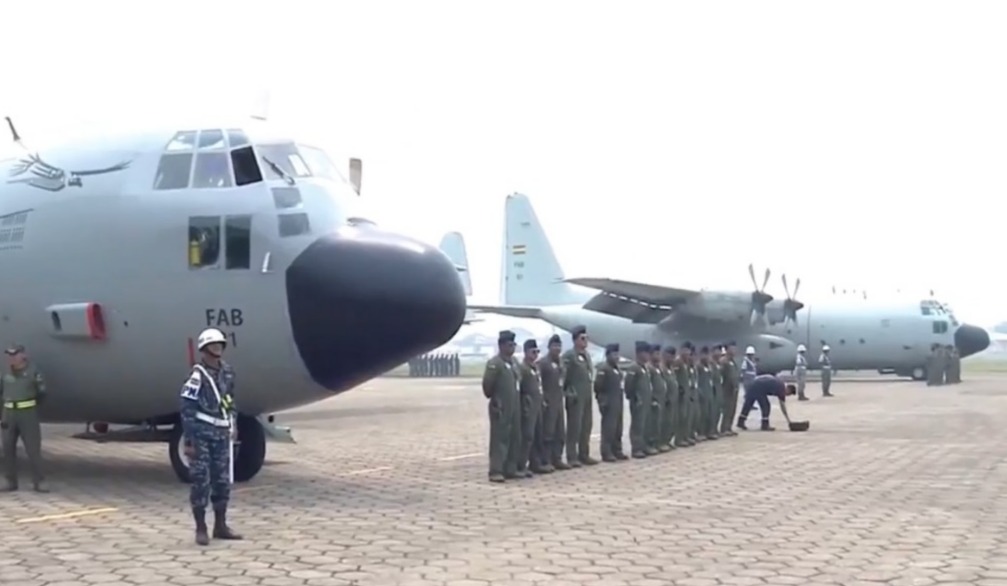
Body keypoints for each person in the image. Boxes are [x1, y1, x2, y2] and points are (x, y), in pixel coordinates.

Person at [181, 328, 242, 545]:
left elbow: (229, 400)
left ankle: (221, 525)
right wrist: (189, 440)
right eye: (213, 345)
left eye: (220, 344)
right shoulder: (197, 375)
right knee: (200, 481)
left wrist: (232, 422)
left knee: (222, 480)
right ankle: (201, 527)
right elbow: (187, 407)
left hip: (221, 433)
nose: (218, 348)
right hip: (201, 433)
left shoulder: (228, 372)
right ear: (204, 349)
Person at [1, 344, 48, 493]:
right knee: (8, 448)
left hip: (27, 414)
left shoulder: (33, 371)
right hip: (9, 414)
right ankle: (10, 481)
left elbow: (42, 393)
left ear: (23, 356)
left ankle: (39, 481)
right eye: (9, 355)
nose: (11, 358)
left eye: (14, 354)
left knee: (33, 449)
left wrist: (29, 405)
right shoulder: (5, 372)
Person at [482, 330, 522, 483]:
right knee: (500, 438)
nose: (512, 348)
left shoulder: (515, 363)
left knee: (514, 436)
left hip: (515, 405)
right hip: (501, 406)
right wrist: (496, 399)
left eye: (513, 344)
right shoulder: (495, 364)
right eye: (509, 345)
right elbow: (487, 386)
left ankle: (511, 468)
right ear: (501, 345)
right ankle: (496, 470)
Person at [562, 325, 598, 467]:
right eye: (582, 338)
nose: (585, 341)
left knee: (586, 425)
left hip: (587, 395)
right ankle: (572, 456)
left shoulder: (586, 355)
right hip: (575, 396)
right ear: (575, 340)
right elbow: (563, 377)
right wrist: (568, 393)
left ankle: (584, 454)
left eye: (586, 338)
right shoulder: (569, 356)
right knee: (574, 427)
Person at [517, 339, 548, 476]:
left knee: (537, 435)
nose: (535, 354)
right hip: (528, 406)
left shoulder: (535, 367)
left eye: (537, 352)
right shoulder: (522, 368)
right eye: (532, 352)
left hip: (538, 405)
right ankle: (521, 465)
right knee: (527, 436)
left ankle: (536, 463)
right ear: (526, 352)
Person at [537, 334, 568, 470]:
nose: (557, 349)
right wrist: (543, 399)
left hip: (558, 401)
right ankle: (546, 459)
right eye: (554, 346)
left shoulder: (561, 362)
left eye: (559, 346)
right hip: (548, 401)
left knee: (560, 432)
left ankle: (557, 458)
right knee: (548, 432)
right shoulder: (543, 363)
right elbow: (538, 383)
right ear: (549, 347)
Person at [594, 343, 627, 462]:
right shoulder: (604, 369)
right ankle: (606, 452)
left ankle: (617, 450)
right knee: (609, 428)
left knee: (618, 427)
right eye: (614, 354)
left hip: (618, 401)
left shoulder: (616, 369)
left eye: (617, 354)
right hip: (609, 402)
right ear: (608, 355)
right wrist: (602, 401)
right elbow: (598, 387)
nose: (616, 357)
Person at [625, 341, 654, 458]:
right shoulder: (634, 368)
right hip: (638, 401)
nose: (648, 356)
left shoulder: (645, 368)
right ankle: (636, 448)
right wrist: (634, 398)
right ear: (639, 353)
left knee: (646, 423)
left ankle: (644, 446)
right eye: (646, 353)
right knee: (638, 425)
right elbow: (629, 386)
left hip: (646, 400)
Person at [647, 345, 670, 453]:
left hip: (661, 398)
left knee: (659, 422)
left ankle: (658, 442)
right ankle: (649, 444)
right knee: (651, 423)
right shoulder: (649, 368)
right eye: (656, 354)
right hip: (654, 399)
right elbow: (649, 386)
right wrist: (652, 399)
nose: (659, 356)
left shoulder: (659, 368)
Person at [674, 344, 695, 447]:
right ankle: (679, 439)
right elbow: (675, 376)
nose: (687, 353)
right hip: (680, 394)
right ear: (681, 350)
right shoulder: (678, 362)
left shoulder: (687, 364)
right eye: (685, 351)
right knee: (681, 417)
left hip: (687, 393)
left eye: (688, 351)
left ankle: (685, 437)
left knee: (687, 416)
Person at [660, 346, 680, 449]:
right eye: (669, 356)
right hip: (666, 400)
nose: (671, 359)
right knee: (664, 421)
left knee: (671, 421)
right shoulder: (662, 369)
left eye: (673, 356)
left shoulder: (671, 369)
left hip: (673, 399)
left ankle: (667, 440)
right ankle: (661, 442)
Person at [719, 342, 740, 437]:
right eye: (732, 349)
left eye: (735, 349)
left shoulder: (733, 361)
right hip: (726, 389)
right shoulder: (724, 361)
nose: (734, 351)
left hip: (734, 390)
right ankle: (724, 428)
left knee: (732, 409)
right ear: (727, 350)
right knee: (727, 409)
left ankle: (729, 427)